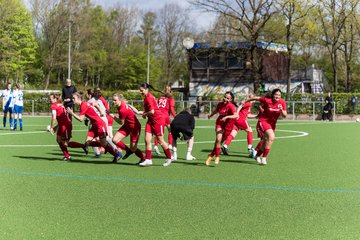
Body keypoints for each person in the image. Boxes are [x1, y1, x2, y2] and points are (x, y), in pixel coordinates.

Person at [66, 92, 122, 163]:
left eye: (74, 98)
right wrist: (100, 112)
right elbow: (95, 104)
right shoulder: (85, 103)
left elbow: (81, 119)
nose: (72, 100)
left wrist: (71, 113)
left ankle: (116, 154)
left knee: (104, 143)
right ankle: (105, 147)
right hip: (94, 125)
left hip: (99, 124)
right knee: (87, 143)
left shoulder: (83, 105)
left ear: (79, 98)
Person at [245, 88, 287, 165]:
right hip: (263, 121)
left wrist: (281, 110)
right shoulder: (267, 100)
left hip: (272, 124)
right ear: (273, 95)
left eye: (279, 95)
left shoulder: (282, 102)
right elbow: (256, 98)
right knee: (271, 136)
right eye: (276, 94)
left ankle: (257, 156)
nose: (277, 96)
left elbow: (284, 115)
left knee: (265, 143)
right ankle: (264, 158)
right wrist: (246, 101)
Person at [138, 82, 173, 167]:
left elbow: (152, 111)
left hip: (158, 120)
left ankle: (169, 157)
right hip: (150, 121)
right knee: (147, 140)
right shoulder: (147, 97)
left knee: (161, 140)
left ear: (146, 90)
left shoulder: (149, 98)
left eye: (141, 90)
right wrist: (144, 113)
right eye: (140, 90)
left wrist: (144, 114)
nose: (140, 92)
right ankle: (148, 159)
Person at [48, 94, 88, 160]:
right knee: (58, 140)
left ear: (55, 99)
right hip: (62, 125)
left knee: (65, 143)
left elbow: (54, 118)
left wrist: (52, 127)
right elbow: (62, 117)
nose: (49, 100)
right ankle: (67, 156)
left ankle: (83, 146)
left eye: (50, 98)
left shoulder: (54, 106)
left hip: (66, 125)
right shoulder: (60, 104)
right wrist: (56, 127)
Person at [110, 94, 145, 163]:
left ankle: (143, 158)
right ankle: (128, 150)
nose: (113, 102)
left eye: (115, 100)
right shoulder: (120, 105)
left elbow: (120, 122)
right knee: (114, 140)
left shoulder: (122, 110)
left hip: (134, 127)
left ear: (120, 100)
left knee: (133, 148)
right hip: (127, 126)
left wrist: (112, 116)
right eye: (113, 100)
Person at [205, 91, 238, 166]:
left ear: (230, 99)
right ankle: (217, 156)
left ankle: (210, 156)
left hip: (228, 126)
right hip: (219, 123)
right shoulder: (220, 104)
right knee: (218, 140)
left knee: (219, 143)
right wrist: (210, 115)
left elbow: (236, 115)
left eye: (227, 98)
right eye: (224, 97)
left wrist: (227, 116)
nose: (225, 99)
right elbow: (216, 110)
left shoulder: (231, 106)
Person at [153, 85, 176, 154]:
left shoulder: (160, 98)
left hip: (157, 115)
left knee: (158, 132)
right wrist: (175, 116)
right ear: (171, 91)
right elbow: (171, 109)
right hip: (165, 116)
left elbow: (156, 106)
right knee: (170, 131)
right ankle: (169, 145)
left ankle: (156, 146)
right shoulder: (171, 98)